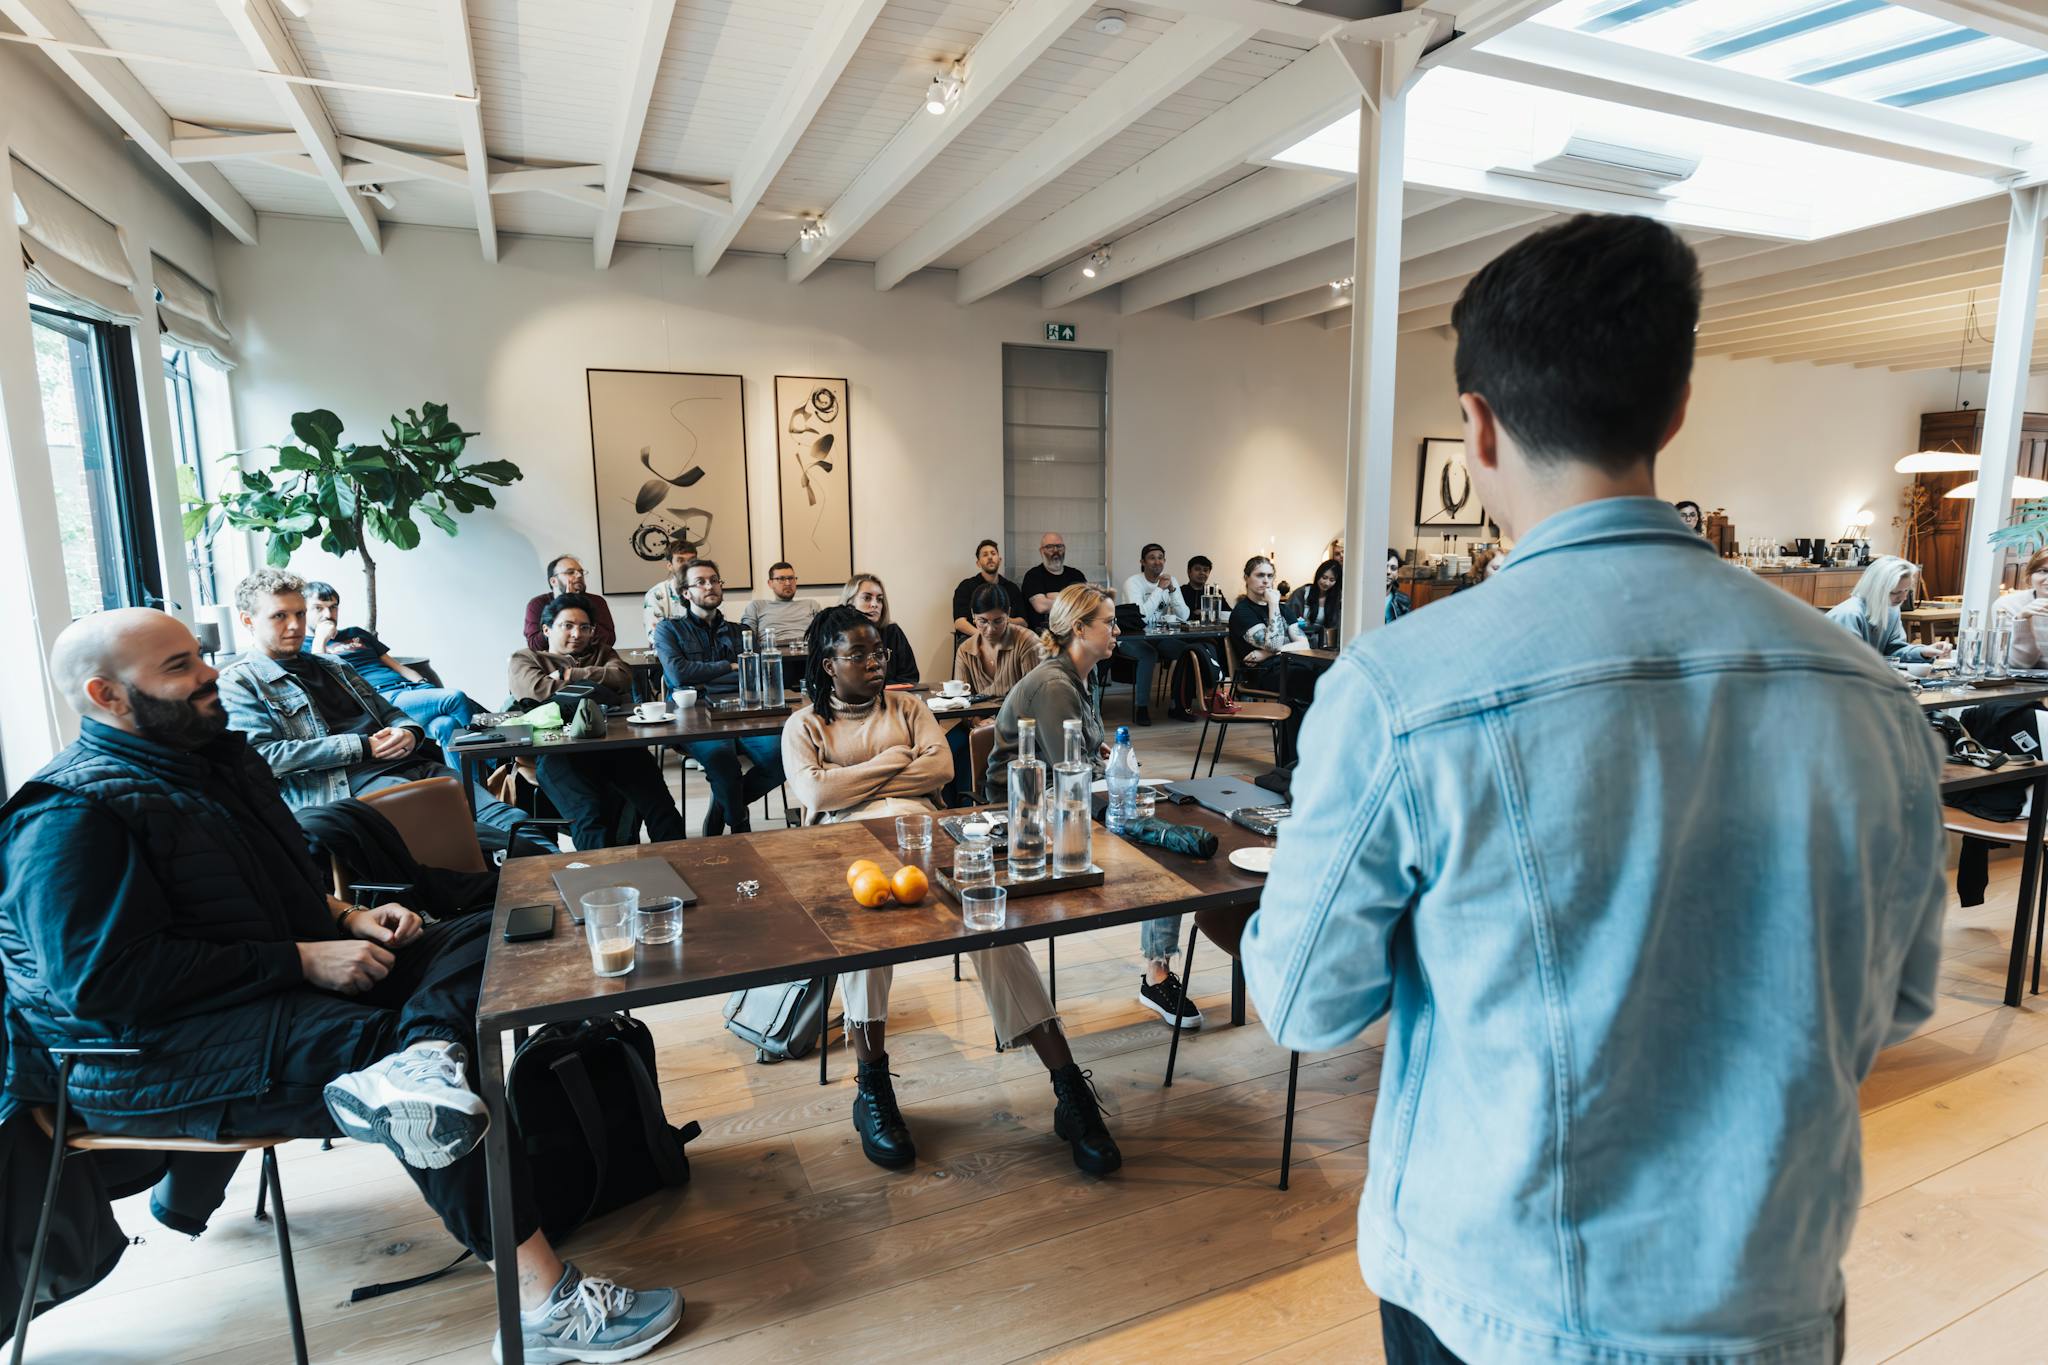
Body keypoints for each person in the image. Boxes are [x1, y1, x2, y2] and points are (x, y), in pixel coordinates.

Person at [1239, 213, 1945, 1365]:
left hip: (1497, 1295)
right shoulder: (1866, 691)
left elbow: (1306, 1001)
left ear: (1475, 426)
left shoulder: (1404, 688)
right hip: (1767, 1297)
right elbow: (1899, 1001)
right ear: (1672, 409)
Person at [0, 608, 682, 1362]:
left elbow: (265, 891)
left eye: (199, 655)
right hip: (144, 1051)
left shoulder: (215, 759)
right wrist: (300, 959)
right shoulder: (68, 812)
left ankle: (423, 1057)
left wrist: (348, 914)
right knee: (397, 1069)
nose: (208, 676)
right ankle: (542, 1306)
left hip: (259, 993)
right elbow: (103, 982)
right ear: (105, 693)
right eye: (177, 668)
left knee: (492, 933)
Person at [782, 606, 1119, 1176]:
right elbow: (815, 795)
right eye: (859, 654)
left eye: (878, 652)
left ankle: (1070, 1090)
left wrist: (860, 779)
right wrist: (894, 759)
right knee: (868, 944)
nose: (874, 662)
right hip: (849, 849)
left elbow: (938, 773)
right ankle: (872, 1091)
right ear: (826, 661)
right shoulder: (805, 725)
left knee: (994, 925)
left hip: (929, 836)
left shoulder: (909, 705)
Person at [988, 586, 1202, 1032]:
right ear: (1080, 628)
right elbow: (1067, 771)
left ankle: (1157, 970)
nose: (1118, 630)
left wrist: (1103, 752)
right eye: (1109, 622)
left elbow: (1081, 752)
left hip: (1066, 793)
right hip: (1026, 807)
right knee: (1163, 846)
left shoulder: (1084, 676)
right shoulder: (1053, 685)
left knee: (1163, 830)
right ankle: (1157, 974)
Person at [218, 570, 546, 856]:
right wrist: (362, 747)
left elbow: (390, 712)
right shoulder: (240, 681)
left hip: (413, 766)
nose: (295, 625)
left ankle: (571, 880)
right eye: (279, 616)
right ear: (248, 620)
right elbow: (264, 757)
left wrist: (409, 732)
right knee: (477, 838)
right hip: (345, 785)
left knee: (513, 821)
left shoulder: (335, 665)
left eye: (300, 614)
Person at [508, 594, 686, 851]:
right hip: (558, 752)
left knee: (661, 807)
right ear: (546, 629)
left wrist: (568, 675)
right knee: (590, 815)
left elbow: (623, 678)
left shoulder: (602, 652)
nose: (577, 634)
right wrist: (597, 687)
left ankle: (682, 866)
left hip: (613, 745)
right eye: (567, 625)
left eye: (584, 627)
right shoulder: (526, 659)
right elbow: (537, 691)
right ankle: (599, 885)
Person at [651, 559, 786, 836]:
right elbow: (678, 675)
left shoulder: (742, 631)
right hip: (696, 716)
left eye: (714, 579)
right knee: (723, 762)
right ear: (685, 593)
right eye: (700, 582)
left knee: (782, 758)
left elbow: (756, 675)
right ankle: (739, 824)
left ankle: (723, 809)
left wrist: (707, 674)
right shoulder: (669, 629)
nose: (710, 585)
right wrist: (730, 667)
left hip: (744, 710)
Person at [302, 581, 480, 749]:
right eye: (318, 608)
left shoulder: (357, 633)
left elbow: (397, 666)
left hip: (409, 690)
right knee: (454, 697)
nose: (327, 615)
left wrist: (422, 684)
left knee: (445, 725)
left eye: (333, 607)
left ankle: (475, 782)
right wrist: (320, 638)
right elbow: (323, 679)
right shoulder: (307, 647)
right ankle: (498, 760)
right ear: (303, 611)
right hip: (380, 699)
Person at [943, 584, 1046, 803]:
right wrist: (976, 721)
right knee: (947, 745)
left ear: (1008, 614)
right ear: (973, 617)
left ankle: (982, 805)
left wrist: (995, 721)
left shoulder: (1027, 642)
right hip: (977, 719)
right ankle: (957, 807)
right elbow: (961, 701)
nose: (990, 629)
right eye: (983, 621)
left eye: (998, 621)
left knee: (978, 743)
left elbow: (1035, 699)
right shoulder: (965, 649)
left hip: (1019, 722)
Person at [1117, 542, 1215, 725]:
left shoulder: (1171, 581)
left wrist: (1172, 591)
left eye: (1160, 558)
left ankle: (1178, 705)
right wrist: (1160, 589)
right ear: (1143, 562)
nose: (1157, 562)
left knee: (1189, 652)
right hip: (1131, 638)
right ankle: (1142, 708)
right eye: (1152, 558)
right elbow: (1142, 617)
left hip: (1158, 636)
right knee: (1149, 654)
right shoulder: (1133, 583)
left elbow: (1184, 615)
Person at [1230, 555, 1315, 764]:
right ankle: (1295, 761)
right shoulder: (1242, 612)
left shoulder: (1285, 609)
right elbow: (1276, 643)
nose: (1266, 581)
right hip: (1261, 674)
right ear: (1246, 578)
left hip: (1285, 665)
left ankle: (1305, 758)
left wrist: (1266, 653)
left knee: (1322, 678)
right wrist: (1274, 605)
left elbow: (1304, 644)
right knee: (1303, 684)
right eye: (1260, 575)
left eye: (1270, 576)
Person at [1826, 556, 1950, 662]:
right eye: (1895, 592)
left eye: (1906, 590)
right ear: (1875, 589)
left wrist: (1924, 651)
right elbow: (1850, 663)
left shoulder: (1891, 609)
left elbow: (1894, 650)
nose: (1904, 597)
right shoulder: (1849, 615)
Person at [523, 554, 616, 652]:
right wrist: (564, 602)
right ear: (553, 581)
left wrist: (577, 603)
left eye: (581, 572)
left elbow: (609, 640)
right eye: (571, 572)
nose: (579, 575)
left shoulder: (597, 602)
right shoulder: (537, 604)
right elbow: (535, 645)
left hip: (593, 661)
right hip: (552, 662)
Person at [841, 573, 920, 687]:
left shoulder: (893, 632)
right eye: (867, 598)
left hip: (891, 699)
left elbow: (910, 677)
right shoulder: (838, 635)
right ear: (850, 601)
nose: (874, 604)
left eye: (879, 599)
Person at [1019, 532, 1094, 633]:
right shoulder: (1033, 575)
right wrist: (1071, 600)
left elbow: (1086, 605)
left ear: (1064, 549)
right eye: (1050, 547)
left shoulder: (1076, 575)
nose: (1055, 551)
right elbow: (1041, 607)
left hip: (1073, 634)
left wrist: (1051, 596)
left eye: (1059, 546)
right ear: (1041, 551)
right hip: (1043, 637)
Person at [951, 539, 1027, 638]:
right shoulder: (966, 587)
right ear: (978, 563)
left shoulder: (1011, 588)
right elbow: (959, 623)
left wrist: (1004, 621)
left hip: (1006, 640)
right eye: (985, 555)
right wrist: (984, 636)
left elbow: (1024, 622)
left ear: (999, 560)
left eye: (993, 553)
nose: (990, 557)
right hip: (975, 639)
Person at [739, 561, 820, 645]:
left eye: (791, 578)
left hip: (807, 651)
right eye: (781, 579)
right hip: (773, 653)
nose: (788, 583)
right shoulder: (757, 606)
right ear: (770, 583)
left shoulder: (811, 605)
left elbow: (824, 634)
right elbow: (745, 637)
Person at [1997, 547, 2048, 667]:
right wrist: (2022, 619)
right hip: (2028, 682)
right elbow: (2020, 664)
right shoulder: (2007, 605)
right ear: (2030, 575)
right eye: (2043, 571)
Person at [639, 543, 697, 637]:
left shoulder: (709, 591)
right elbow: (656, 635)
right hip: (669, 650)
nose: (687, 565)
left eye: (692, 560)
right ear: (670, 566)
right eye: (680, 560)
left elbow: (719, 631)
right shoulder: (656, 594)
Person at [1287, 559, 1342, 647]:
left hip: (1320, 644)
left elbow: (1334, 628)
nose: (1327, 583)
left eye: (1332, 580)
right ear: (1318, 575)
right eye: (1324, 577)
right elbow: (1289, 619)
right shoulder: (1302, 593)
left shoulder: (1336, 599)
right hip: (1296, 640)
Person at [1384, 548, 1412, 623]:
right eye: (1384, 566)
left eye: (1393, 568)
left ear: (1397, 574)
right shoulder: (1365, 598)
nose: (1388, 572)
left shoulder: (1404, 600)